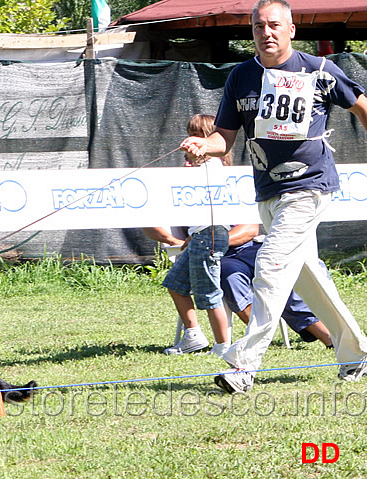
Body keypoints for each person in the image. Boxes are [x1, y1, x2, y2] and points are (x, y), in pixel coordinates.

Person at [180, 0, 367, 393]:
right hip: (268, 192)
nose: (267, 32)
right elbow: (224, 138)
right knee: (308, 277)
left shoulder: (319, 70)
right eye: (259, 26)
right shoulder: (241, 77)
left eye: (275, 25)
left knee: (270, 265)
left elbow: (361, 104)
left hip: (311, 187)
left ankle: (244, 365)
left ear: (291, 30)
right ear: (252, 32)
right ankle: (357, 354)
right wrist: (203, 146)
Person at [146, 114, 232, 358]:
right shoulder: (198, 165)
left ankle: (222, 347)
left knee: (209, 294)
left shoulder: (213, 165)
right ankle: (193, 336)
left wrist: (194, 156)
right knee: (175, 283)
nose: (189, 138)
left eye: (194, 134)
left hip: (210, 235)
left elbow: (203, 162)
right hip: (199, 235)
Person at [221, 224, 332, 347]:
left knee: (278, 276)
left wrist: (210, 243)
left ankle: (327, 336)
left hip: (251, 247)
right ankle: (260, 336)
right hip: (221, 257)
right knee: (229, 277)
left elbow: (250, 229)